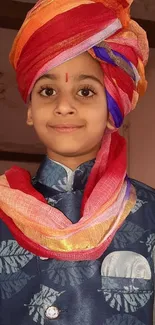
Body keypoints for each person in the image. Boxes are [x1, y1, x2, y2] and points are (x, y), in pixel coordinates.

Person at [0, 0, 154, 324]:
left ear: (112, 110)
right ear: (29, 110)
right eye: (47, 91)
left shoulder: (150, 213)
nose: (64, 106)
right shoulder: (3, 209)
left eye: (85, 92)